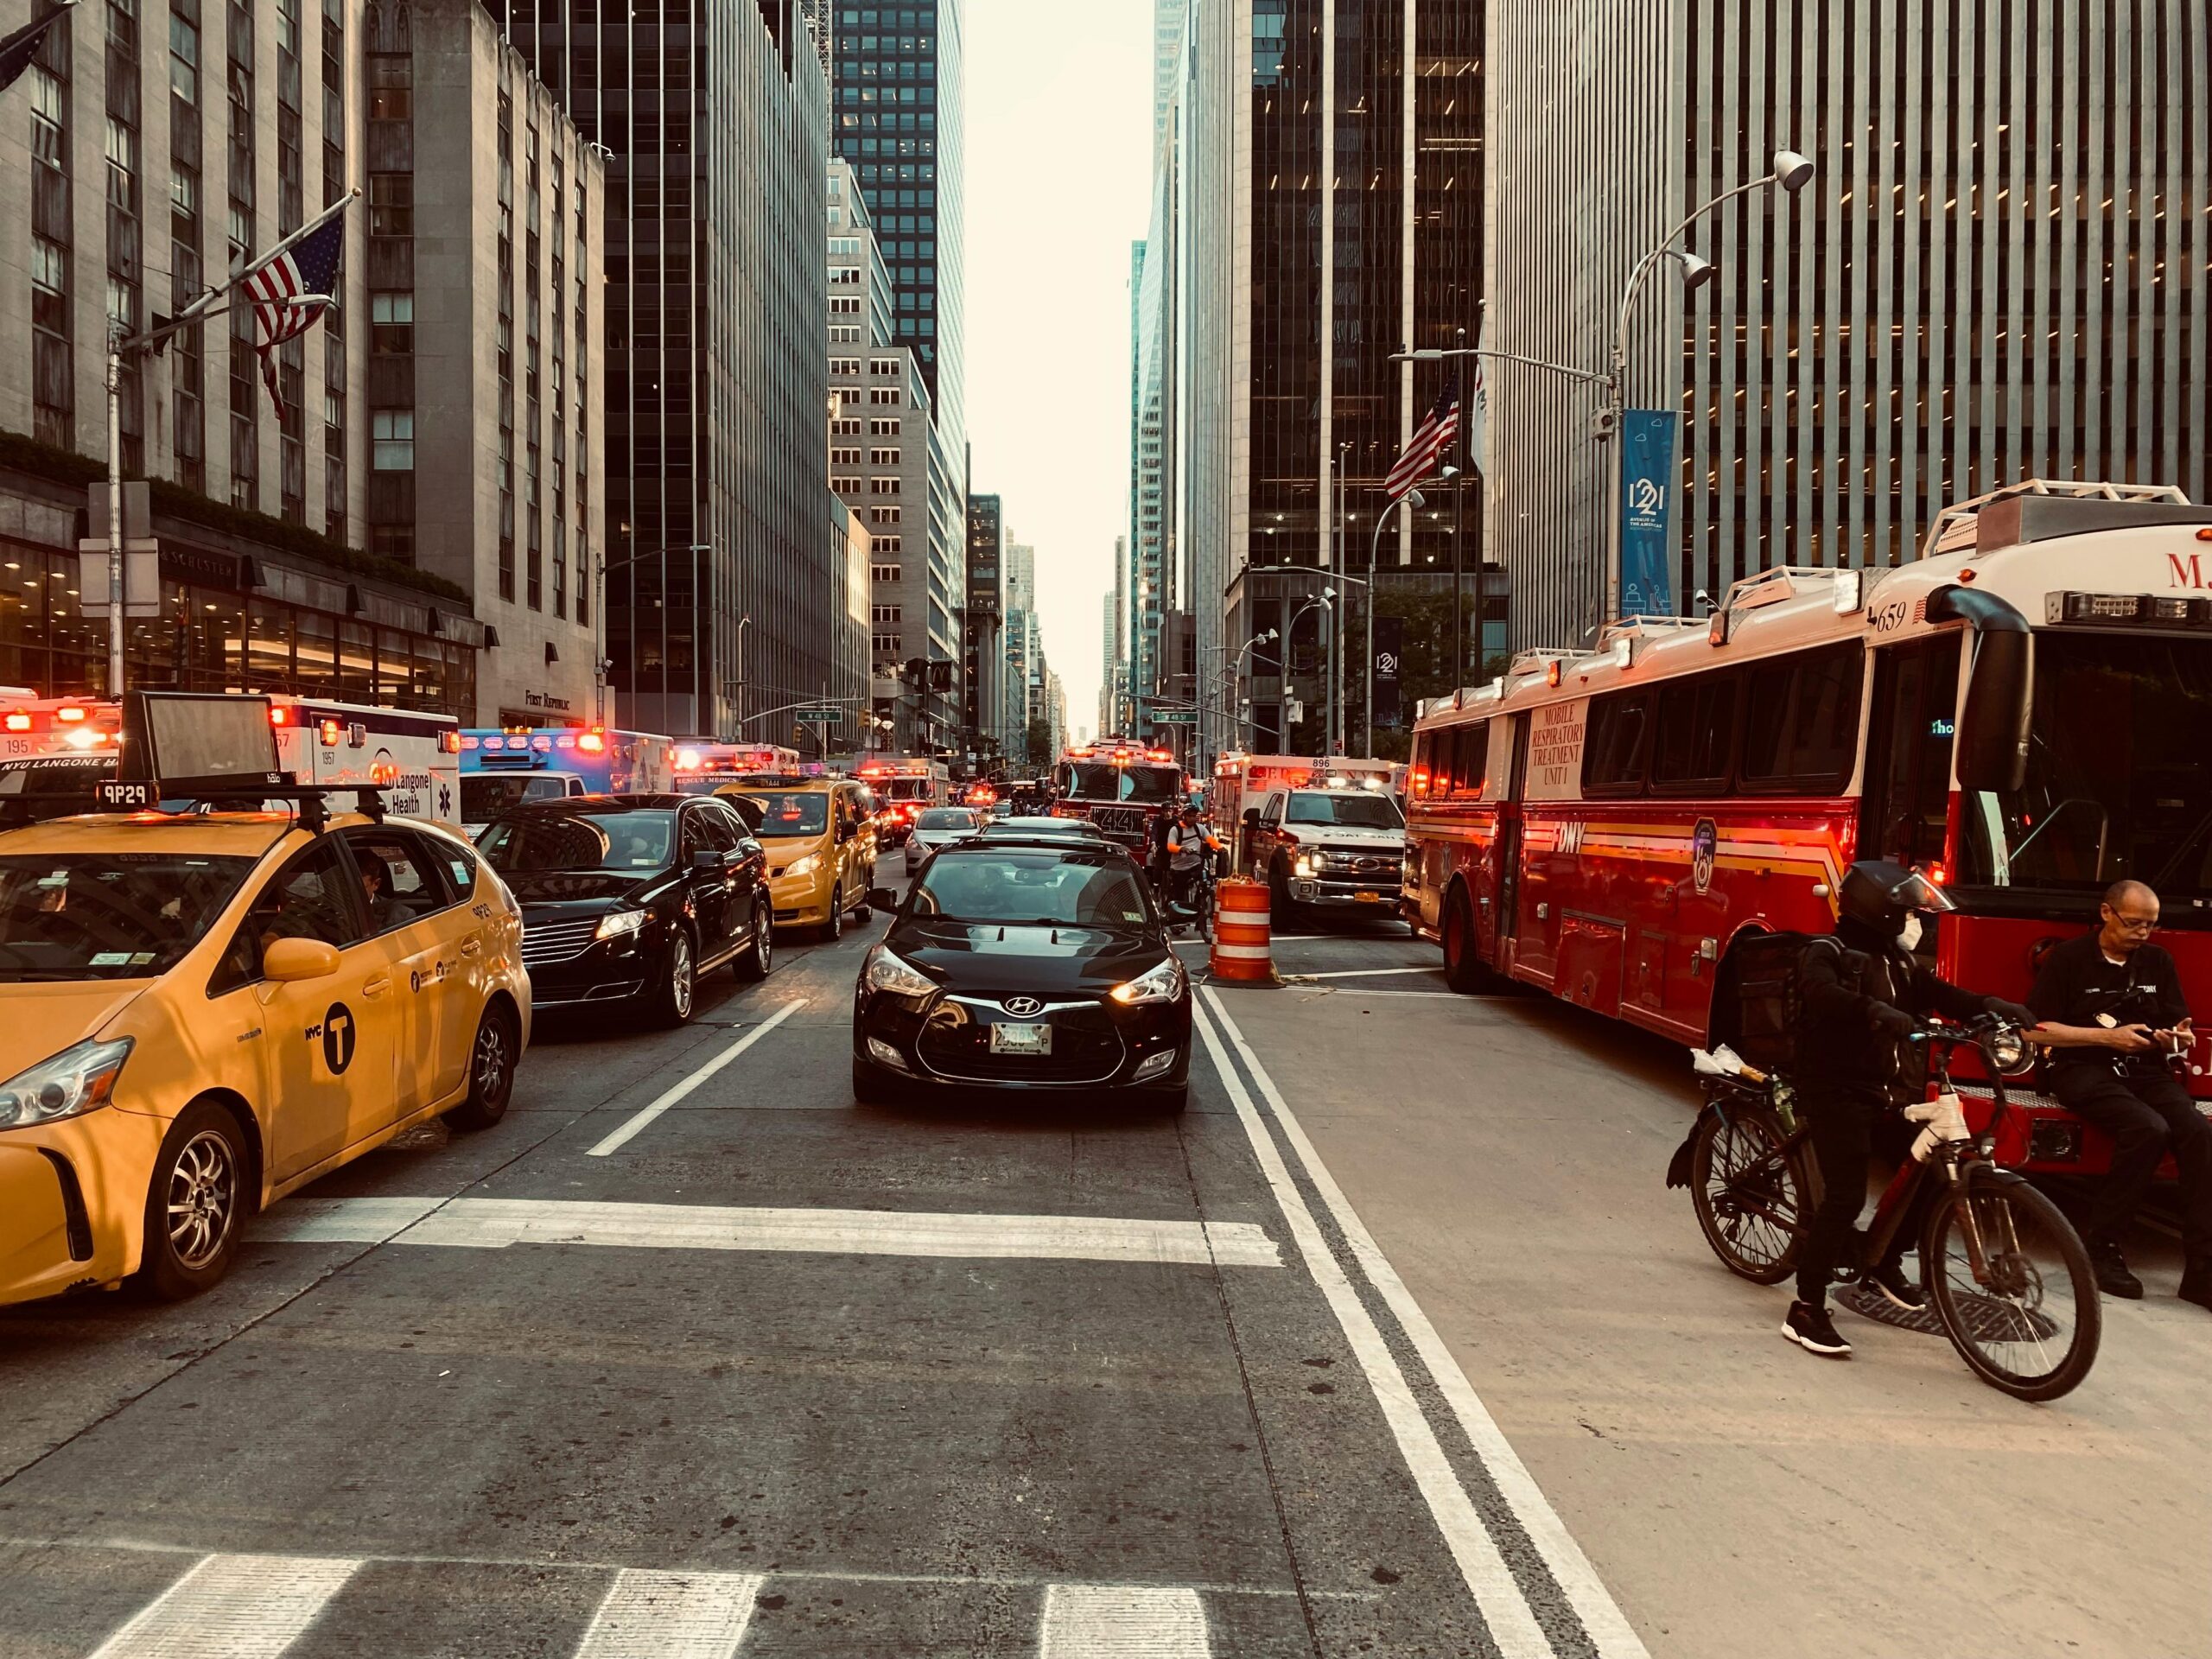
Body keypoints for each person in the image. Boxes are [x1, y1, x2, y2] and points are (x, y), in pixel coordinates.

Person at [1783, 860, 2038, 1359]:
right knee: (1846, 1196)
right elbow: (1821, 995)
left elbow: (1940, 994)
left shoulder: (1897, 963)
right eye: (1904, 913)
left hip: (1884, 1088)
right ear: (1878, 911)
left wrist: (1992, 1004)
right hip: (1833, 1088)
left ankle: (1881, 1263)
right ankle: (1807, 1308)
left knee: (1929, 1172)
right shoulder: (1826, 951)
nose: (1911, 923)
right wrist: (1874, 1011)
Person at [2027, 879, 2212, 1309]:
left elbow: (2179, 1031)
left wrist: (2175, 1040)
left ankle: (2202, 1268)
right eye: (2134, 924)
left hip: (2145, 1069)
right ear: (2106, 913)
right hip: (2078, 1067)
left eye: (2151, 925)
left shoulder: (2158, 962)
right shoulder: (2069, 959)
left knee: (2198, 1131)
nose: (2143, 934)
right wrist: (2107, 1039)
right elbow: (2034, 1029)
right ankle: (2103, 1247)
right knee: (2147, 1128)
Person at [1165, 806, 1224, 914]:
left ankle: (1198, 906)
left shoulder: (1199, 828)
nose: (1192, 819)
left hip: (1196, 864)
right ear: (1184, 816)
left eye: (1194, 816)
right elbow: (1170, 846)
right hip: (1179, 867)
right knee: (1179, 892)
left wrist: (1220, 848)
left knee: (1206, 880)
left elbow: (1210, 839)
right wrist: (1181, 848)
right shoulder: (1175, 830)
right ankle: (1177, 917)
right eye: (1190, 816)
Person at [354, 849, 411, 934]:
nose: (351, 893)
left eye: (359, 888)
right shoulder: (330, 911)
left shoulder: (400, 917)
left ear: (376, 884)